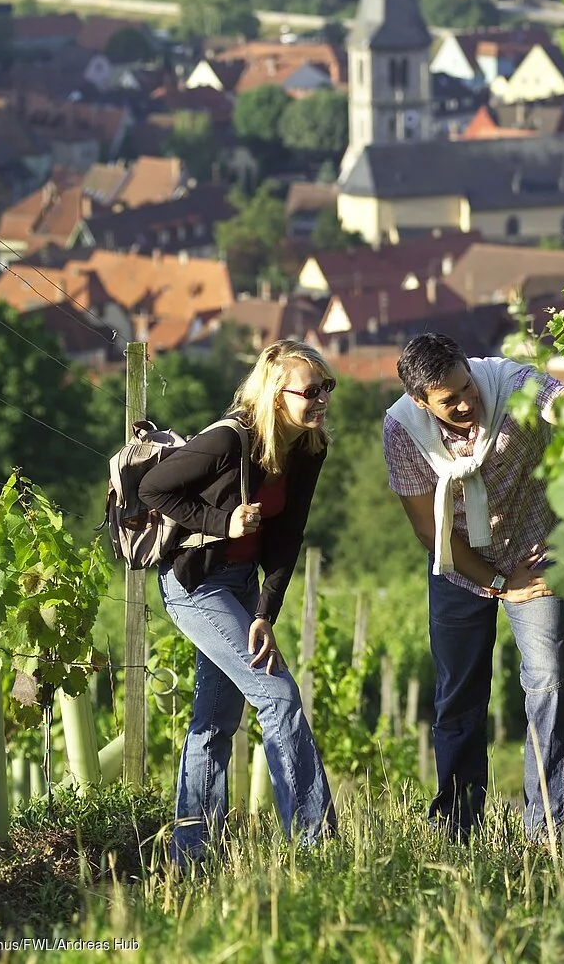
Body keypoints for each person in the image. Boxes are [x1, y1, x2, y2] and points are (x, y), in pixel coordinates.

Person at [140, 340, 338, 864]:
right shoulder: (229, 441)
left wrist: (265, 614)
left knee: (215, 718)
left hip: (242, 586)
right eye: (311, 391)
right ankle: (315, 845)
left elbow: (287, 535)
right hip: (195, 585)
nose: (322, 400)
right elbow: (153, 489)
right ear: (276, 396)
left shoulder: (309, 449)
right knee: (278, 697)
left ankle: (191, 856)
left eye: (327, 388)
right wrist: (219, 522)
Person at [385, 333, 564, 843]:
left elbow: (554, 399)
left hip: (536, 551)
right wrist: (495, 583)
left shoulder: (508, 383)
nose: (467, 402)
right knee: (459, 697)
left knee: (548, 681)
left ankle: (548, 832)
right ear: (421, 402)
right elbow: (432, 531)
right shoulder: (402, 429)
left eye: (466, 385)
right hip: (459, 564)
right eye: (450, 400)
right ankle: (458, 827)